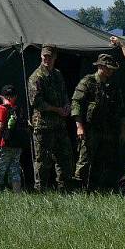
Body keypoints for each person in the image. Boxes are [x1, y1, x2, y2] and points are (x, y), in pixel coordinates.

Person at [71, 53, 125, 191]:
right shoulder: (88, 82)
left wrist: (121, 131)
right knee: (84, 160)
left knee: (102, 161)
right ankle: (78, 189)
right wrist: (79, 126)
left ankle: (95, 189)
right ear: (100, 66)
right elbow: (76, 103)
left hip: (107, 130)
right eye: (109, 68)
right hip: (90, 129)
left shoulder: (112, 86)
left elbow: (120, 110)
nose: (111, 71)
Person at [27, 44, 73, 192]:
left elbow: (64, 93)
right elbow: (36, 103)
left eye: (49, 56)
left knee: (64, 158)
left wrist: (67, 106)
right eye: (44, 56)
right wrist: (57, 110)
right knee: (43, 160)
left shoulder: (57, 74)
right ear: (41, 56)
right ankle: (40, 191)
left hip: (59, 124)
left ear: (55, 57)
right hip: (43, 125)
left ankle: (64, 189)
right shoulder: (36, 77)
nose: (47, 59)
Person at [0, 85, 25, 194]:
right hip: (16, 146)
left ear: (2, 96)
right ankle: (17, 196)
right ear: (15, 96)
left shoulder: (1, 108)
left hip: (2, 145)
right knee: (15, 171)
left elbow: (0, 124)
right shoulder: (18, 109)